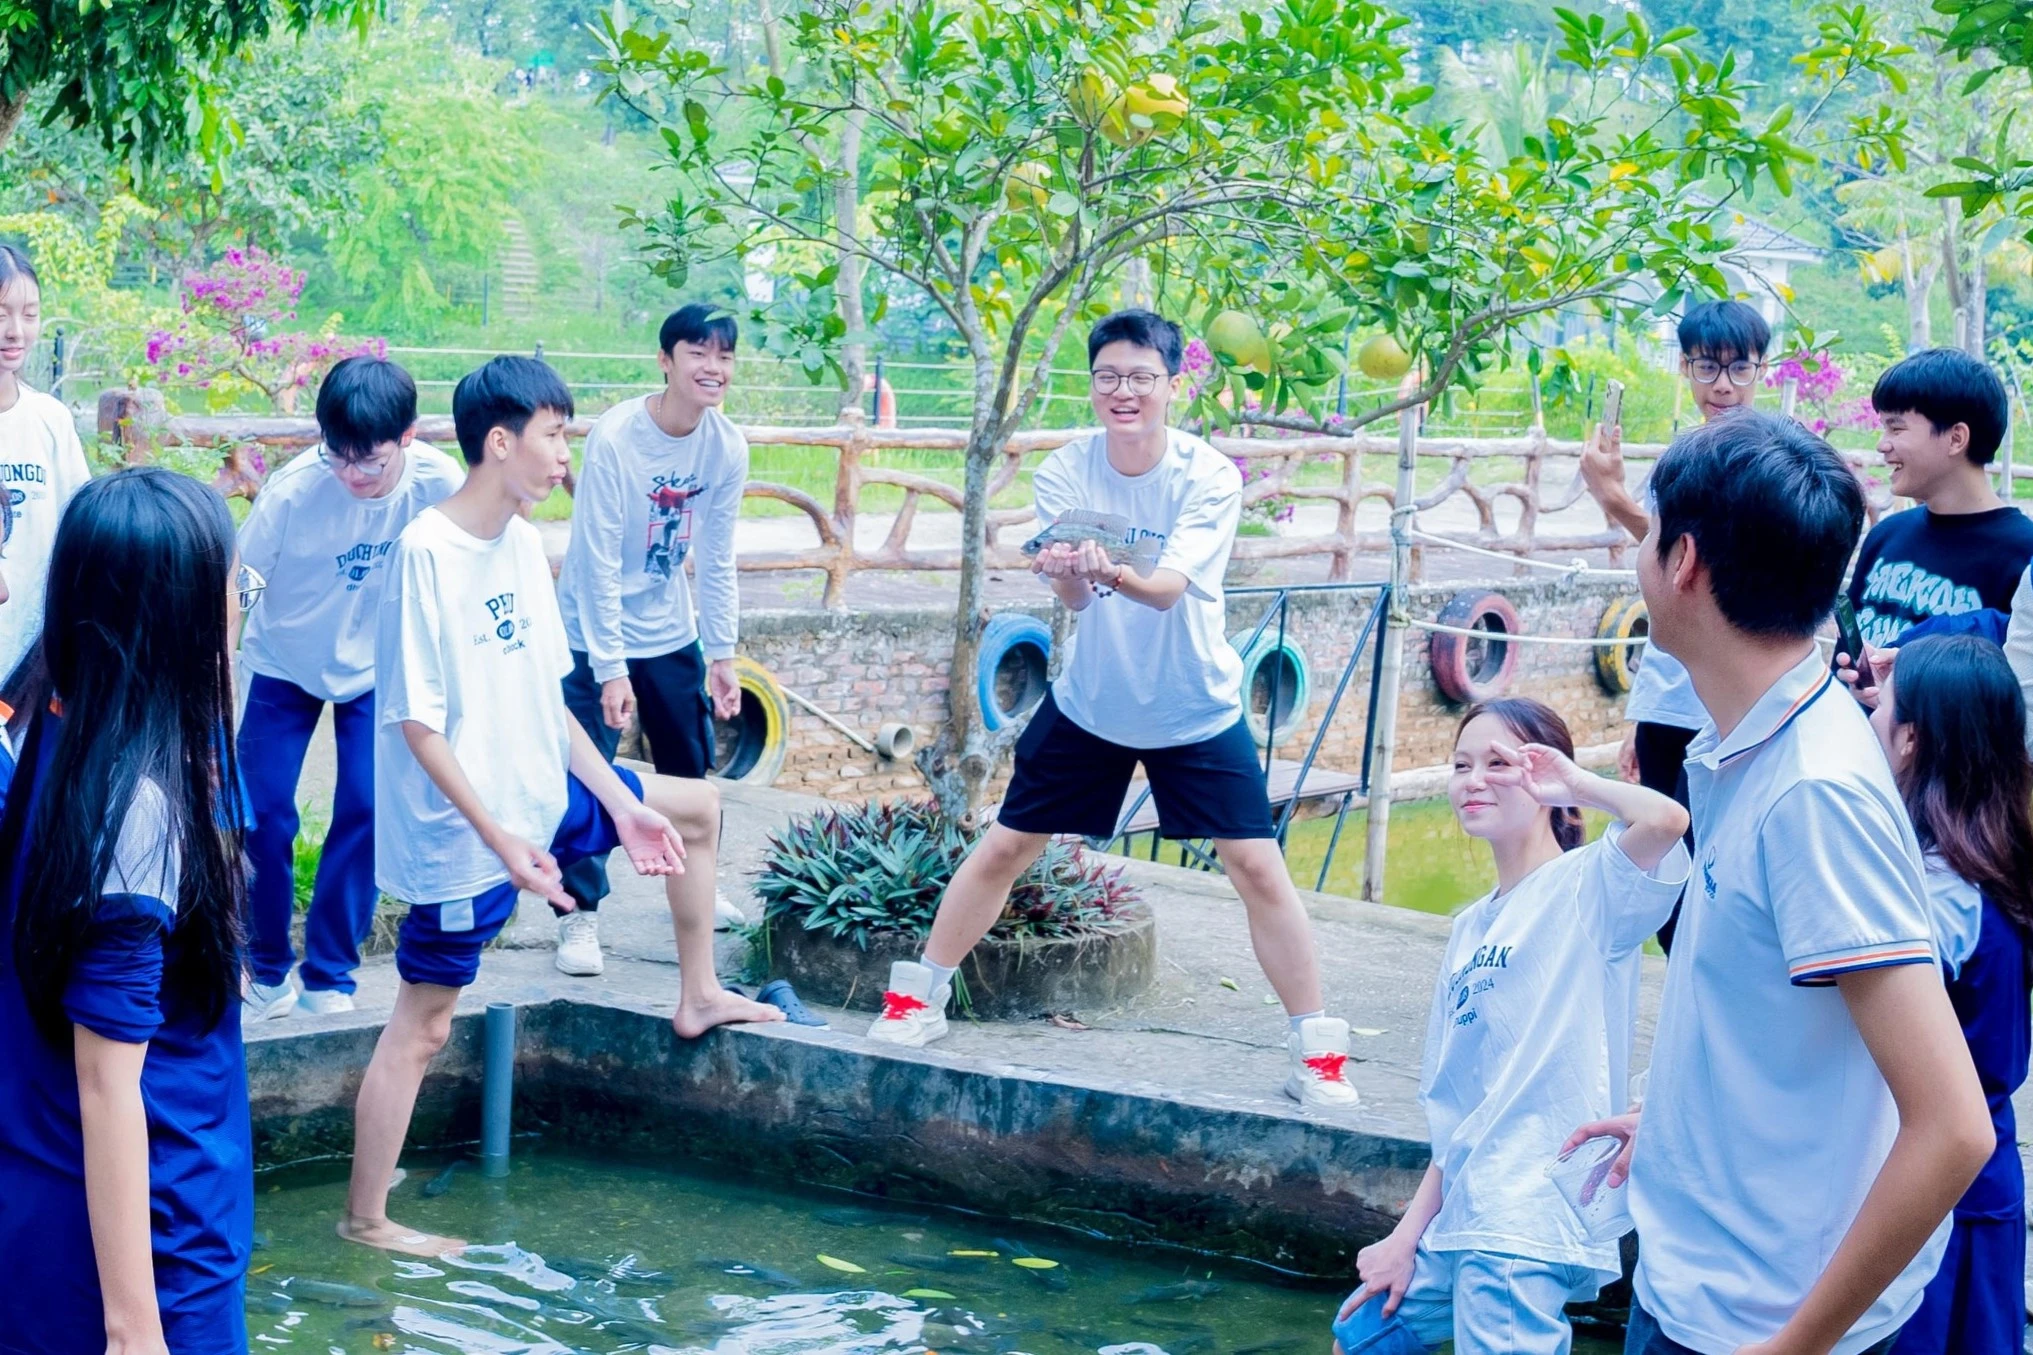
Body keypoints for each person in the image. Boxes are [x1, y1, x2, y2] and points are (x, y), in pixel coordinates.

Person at [1564, 410, 1992, 1355]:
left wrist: (1795, 1343)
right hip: (1700, 1274)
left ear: (1682, 562)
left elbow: (1955, 1127)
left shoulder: (1812, 791)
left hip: (1751, 1318)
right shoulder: (1748, 739)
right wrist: (1677, 1122)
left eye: (1650, 528)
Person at [863, 309, 1360, 1109]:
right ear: (1091, 383)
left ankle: (1319, 1054)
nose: (1122, 391)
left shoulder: (1206, 476)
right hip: (1091, 702)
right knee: (1003, 845)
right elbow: (1072, 597)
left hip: (1193, 708)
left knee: (1257, 867)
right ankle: (917, 998)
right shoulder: (1067, 468)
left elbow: (1164, 590)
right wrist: (1066, 570)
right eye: (1107, 376)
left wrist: (1110, 569)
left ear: (1171, 384)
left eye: (1139, 377)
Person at [339, 356, 780, 1257]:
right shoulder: (426, 553)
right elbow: (418, 725)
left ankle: (699, 993)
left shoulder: (520, 544)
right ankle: (366, 1218)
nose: (564, 456)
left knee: (693, 809)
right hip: (465, 834)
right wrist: (501, 841)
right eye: (554, 435)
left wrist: (622, 805)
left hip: (543, 795)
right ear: (501, 442)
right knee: (424, 1025)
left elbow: (549, 702)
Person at [1333, 698, 1689, 1355]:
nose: (1473, 780)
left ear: (1546, 776)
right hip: (1468, 1206)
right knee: (1364, 1334)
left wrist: (1577, 785)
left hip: (1524, 1212)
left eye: (1499, 763)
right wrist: (1404, 1237)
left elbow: (1667, 819)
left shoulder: (1589, 886)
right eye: (1460, 765)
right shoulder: (1469, 927)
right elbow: (1460, 1111)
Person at [0, 468, 258, 1354]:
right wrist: (135, 1327)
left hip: (42, 1203)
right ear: (182, 621)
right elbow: (107, 1081)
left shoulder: (50, 717)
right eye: (236, 592)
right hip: (156, 1241)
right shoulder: (137, 804)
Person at [236, 357, 465, 1019]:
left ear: (408, 436)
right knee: (262, 812)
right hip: (283, 659)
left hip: (378, 667)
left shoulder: (439, 484)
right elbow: (240, 584)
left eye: (370, 461)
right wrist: (219, 669)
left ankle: (329, 975)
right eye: (338, 457)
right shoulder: (293, 492)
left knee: (366, 807)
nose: (352, 475)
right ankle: (265, 971)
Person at [553, 303, 749, 976]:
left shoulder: (725, 446)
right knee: (589, 773)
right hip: (591, 630)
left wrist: (721, 653)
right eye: (698, 352)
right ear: (665, 361)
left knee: (689, 765)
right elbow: (597, 558)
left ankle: (696, 885)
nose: (713, 367)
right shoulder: (618, 438)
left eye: (724, 356)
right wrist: (611, 667)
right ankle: (577, 913)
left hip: (668, 628)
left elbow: (717, 555)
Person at [1580, 300, 1769, 951]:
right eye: (1707, 367)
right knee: (1664, 883)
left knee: (1712, 878)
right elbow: (1667, 587)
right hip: (1670, 699)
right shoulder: (1679, 457)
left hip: (1728, 701)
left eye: (1738, 368)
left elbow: (1702, 571)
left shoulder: (1763, 459)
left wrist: (1615, 501)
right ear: (1685, 368)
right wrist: (1641, 714)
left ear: (1760, 369)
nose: (1723, 385)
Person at [1862, 636, 2033, 1355]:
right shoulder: (1997, 851)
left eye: (1880, 708)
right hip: (1982, 1171)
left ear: (1911, 739)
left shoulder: (1934, 895)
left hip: (1932, 1184)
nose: (1867, 716)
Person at [1841, 349, 2033, 654]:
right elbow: (1847, 655)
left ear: (1956, 438)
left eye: (1896, 428)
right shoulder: (1885, 536)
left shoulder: (2023, 555)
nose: (1882, 444)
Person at [0, 244, 91, 692]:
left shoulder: (49, 419)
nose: (15, 331)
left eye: (29, 315)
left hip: (36, 655)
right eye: (1, 314)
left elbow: (81, 529)